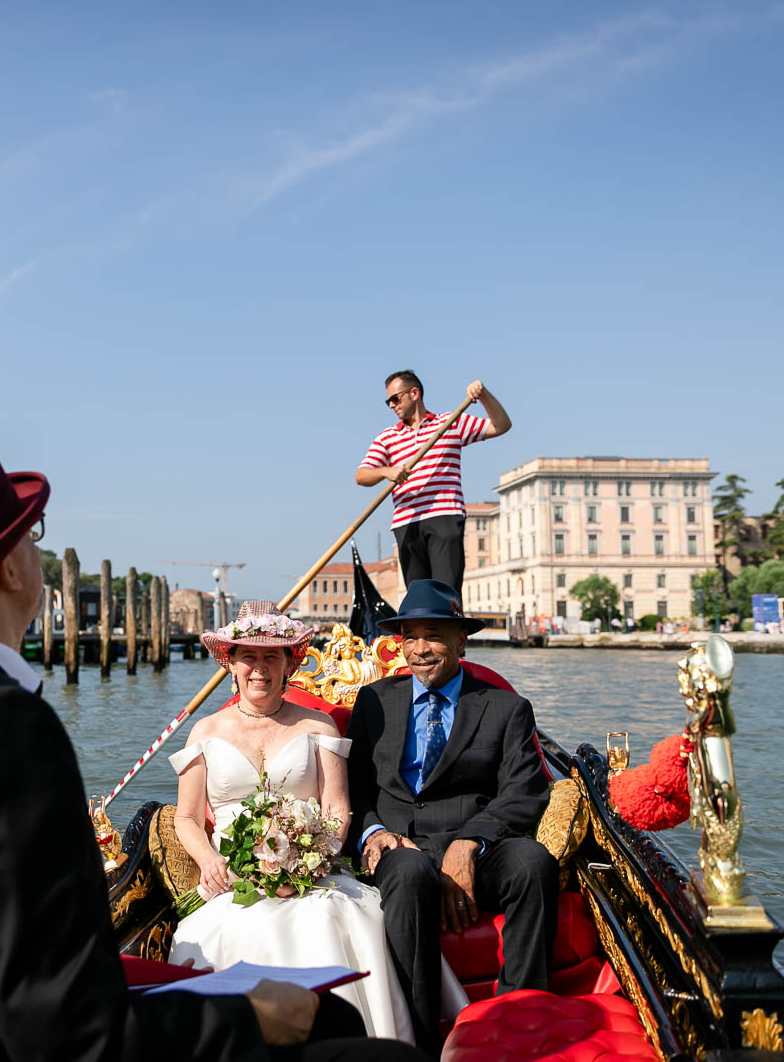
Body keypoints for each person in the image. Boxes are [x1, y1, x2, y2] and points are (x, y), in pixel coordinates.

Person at [0, 411, 423, 1062]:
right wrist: (249, 1016)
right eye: (30, 534)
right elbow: (66, 1029)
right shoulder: (0, 726)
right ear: (12, 569)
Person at [167, 602, 465, 1044]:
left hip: (314, 867)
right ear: (231, 662)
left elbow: (336, 810)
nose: (260, 669)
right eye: (249, 656)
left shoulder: (318, 725)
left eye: (272, 657)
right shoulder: (205, 732)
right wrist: (209, 859)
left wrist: (309, 860)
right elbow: (187, 818)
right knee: (226, 928)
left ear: (290, 663)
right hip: (229, 875)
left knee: (334, 918)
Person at [347, 580, 557, 1056]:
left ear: (461, 641)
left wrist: (469, 843)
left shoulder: (506, 708)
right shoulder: (375, 701)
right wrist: (375, 831)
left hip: (476, 840)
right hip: (400, 843)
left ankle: (519, 1016)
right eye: (410, 636)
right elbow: (352, 787)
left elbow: (524, 791)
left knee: (533, 863)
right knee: (410, 873)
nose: (420, 649)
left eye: (434, 635)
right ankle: (418, 1040)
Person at [355, 371, 511, 595]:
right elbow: (361, 476)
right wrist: (386, 471)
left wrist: (483, 395)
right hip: (406, 523)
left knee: (446, 596)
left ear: (414, 393)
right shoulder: (386, 438)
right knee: (419, 598)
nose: (391, 405)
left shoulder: (449, 423)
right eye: (388, 401)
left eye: (395, 398)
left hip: (444, 517)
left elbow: (501, 425)